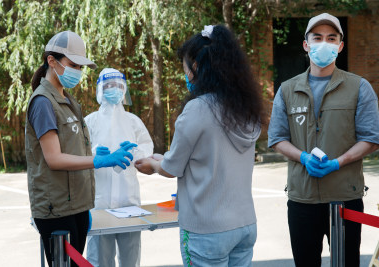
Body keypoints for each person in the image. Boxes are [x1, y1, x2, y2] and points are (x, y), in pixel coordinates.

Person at [135, 24, 264, 267]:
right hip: (245, 224)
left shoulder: (197, 109)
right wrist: (164, 159)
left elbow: (172, 167)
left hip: (207, 229)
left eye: (185, 68)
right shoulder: (247, 108)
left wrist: (153, 164)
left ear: (195, 68)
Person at [268, 13, 379, 267]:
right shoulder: (287, 89)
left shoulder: (359, 87)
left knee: (346, 263)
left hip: (345, 196)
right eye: (317, 38)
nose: (324, 43)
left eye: (331, 38)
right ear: (306, 45)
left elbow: (371, 138)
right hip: (302, 199)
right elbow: (277, 138)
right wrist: (303, 157)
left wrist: (338, 162)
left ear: (340, 46)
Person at [25, 31, 136, 267]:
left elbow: (71, 147)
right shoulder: (43, 103)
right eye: (73, 64)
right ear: (51, 61)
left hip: (76, 205)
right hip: (56, 209)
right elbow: (53, 158)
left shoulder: (69, 101)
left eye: (81, 66)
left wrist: (98, 154)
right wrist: (96, 161)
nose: (78, 71)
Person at [85, 68, 154, 267]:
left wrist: (133, 154)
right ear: (100, 89)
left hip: (128, 201)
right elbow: (79, 153)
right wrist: (97, 155)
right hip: (100, 201)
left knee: (130, 258)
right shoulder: (90, 122)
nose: (113, 89)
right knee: (100, 259)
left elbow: (146, 146)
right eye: (108, 86)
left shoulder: (133, 122)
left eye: (117, 86)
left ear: (124, 90)